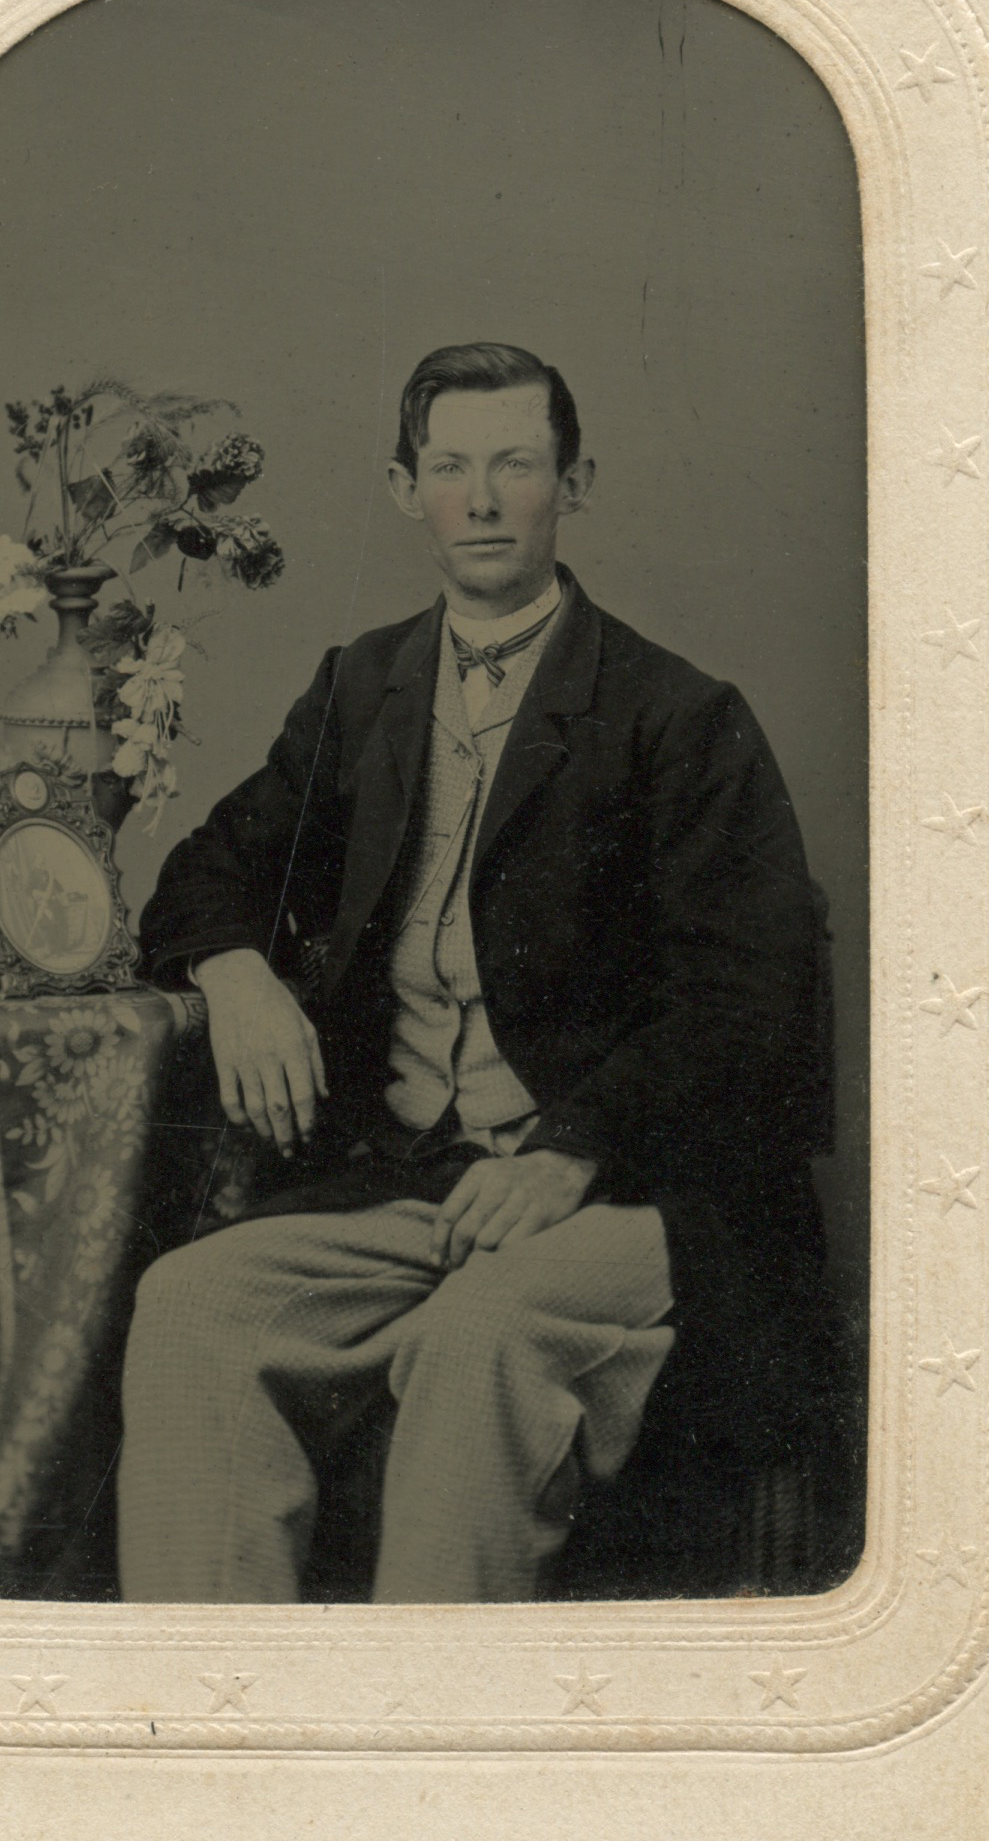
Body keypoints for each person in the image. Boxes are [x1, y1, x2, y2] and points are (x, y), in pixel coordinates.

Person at [118, 342, 834, 1603]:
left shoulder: (679, 715)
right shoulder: (362, 688)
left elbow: (750, 1006)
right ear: (407, 489)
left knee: (480, 1339)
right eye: (451, 468)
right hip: (414, 1182)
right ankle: (212, 1711)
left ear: (575, 482)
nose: (485, 500)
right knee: (190, 1305)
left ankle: (434, 1719)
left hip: (635, 1198)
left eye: (517, 465)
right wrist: (234, 974)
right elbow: (208, 869)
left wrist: (571, 1148)